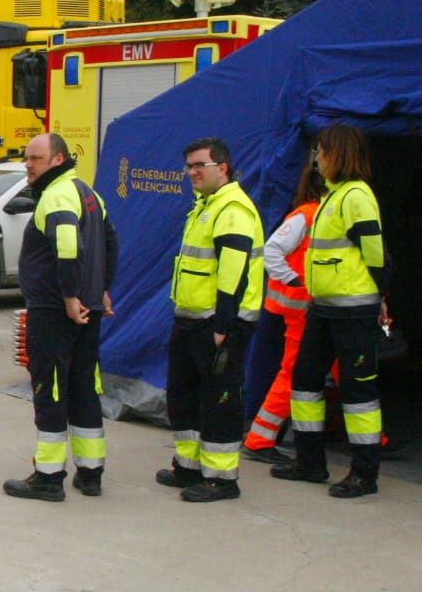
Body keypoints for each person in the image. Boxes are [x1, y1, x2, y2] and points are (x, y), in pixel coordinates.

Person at [274, 124, 391, 498]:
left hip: (353, 309)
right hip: (324, 308)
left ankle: (364, 473)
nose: (317, 159)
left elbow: (374, 252)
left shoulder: (356, 196)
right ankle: (310, 461)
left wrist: (382, 294)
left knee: (359, 393)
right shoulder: (331, 197)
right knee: (305, 381)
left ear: (337, 153)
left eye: (321, 152)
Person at [3, 133, 119, 501]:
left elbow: (67, 245)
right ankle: (91, 473)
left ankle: (49, 477)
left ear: (57, 160)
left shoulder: (56, 195)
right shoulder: (89, 192)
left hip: (57, 310)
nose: (28, 164)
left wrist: (70, 295)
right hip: (88, 309)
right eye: (27, 158)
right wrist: (100, 288)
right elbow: (110, 241)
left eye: (35, 158)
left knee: (50, 389)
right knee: (85, 387)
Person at [158, 136, 264, 502]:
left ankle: (221, 479)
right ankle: (189, 467)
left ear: (223, 167)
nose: (192, 172)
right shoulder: (206, 205)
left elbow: (233, 274)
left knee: (219, 399)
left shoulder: (232, 209)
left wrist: (223, 327)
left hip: (217, 324)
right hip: (191, 320)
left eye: (199, 165)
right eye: (188, 166)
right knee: (183, 394)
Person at [244, 159, 326, 461]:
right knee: (293, 373)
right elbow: (272, 250)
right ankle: (259, 438)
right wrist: (296, 281)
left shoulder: (312, 215)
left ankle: (374, 439)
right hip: (300, 311)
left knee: (337, 374)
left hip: (304, 309)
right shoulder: (308, 216)